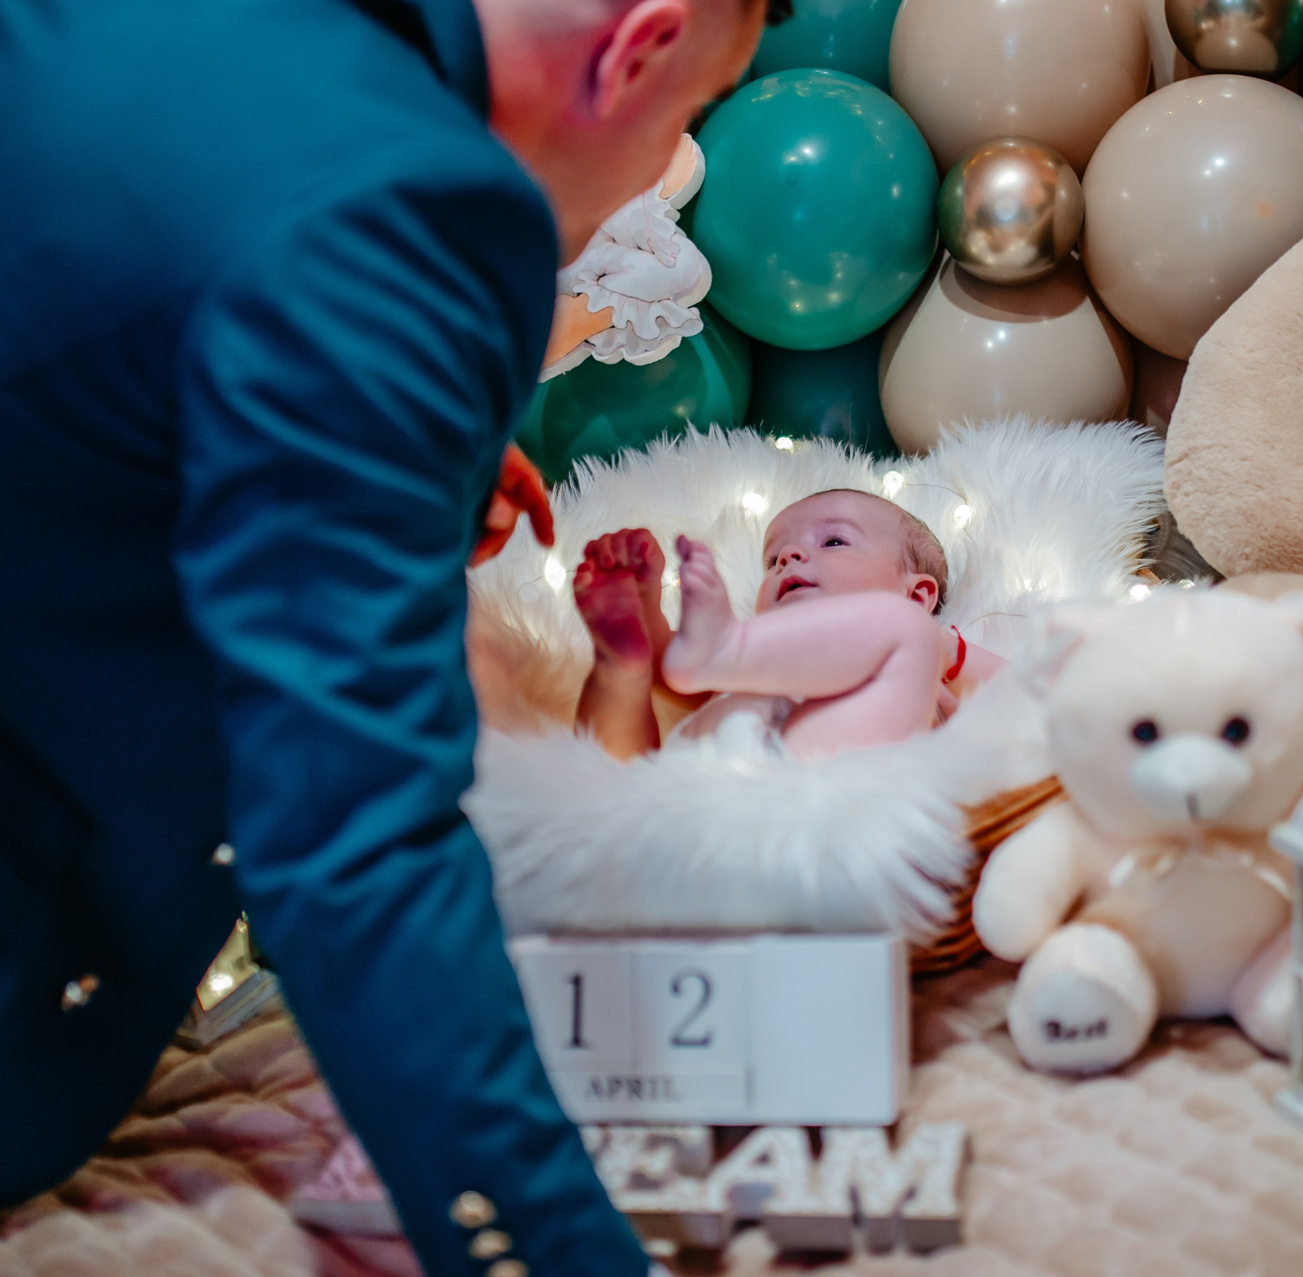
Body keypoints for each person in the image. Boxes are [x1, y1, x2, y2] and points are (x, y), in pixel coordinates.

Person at [0, 0, 774, 1273]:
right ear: (638, 49)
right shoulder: (408, 212)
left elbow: (111, 330)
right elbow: (355, 833)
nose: (660, 165)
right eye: (686, 113)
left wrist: (402, 463)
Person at [571, 491, 1008, 759]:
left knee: (906, 634)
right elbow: (677, 673)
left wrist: (943, 647)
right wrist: (647, 618)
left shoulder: (920, 667)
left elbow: (1023, 693)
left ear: (916, 596)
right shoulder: (746, 667)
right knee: (615, 780)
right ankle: (621, 667)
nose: (787, 557)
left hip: (832, 809)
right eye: (773, 559)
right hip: (696, 813)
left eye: (833, 541)